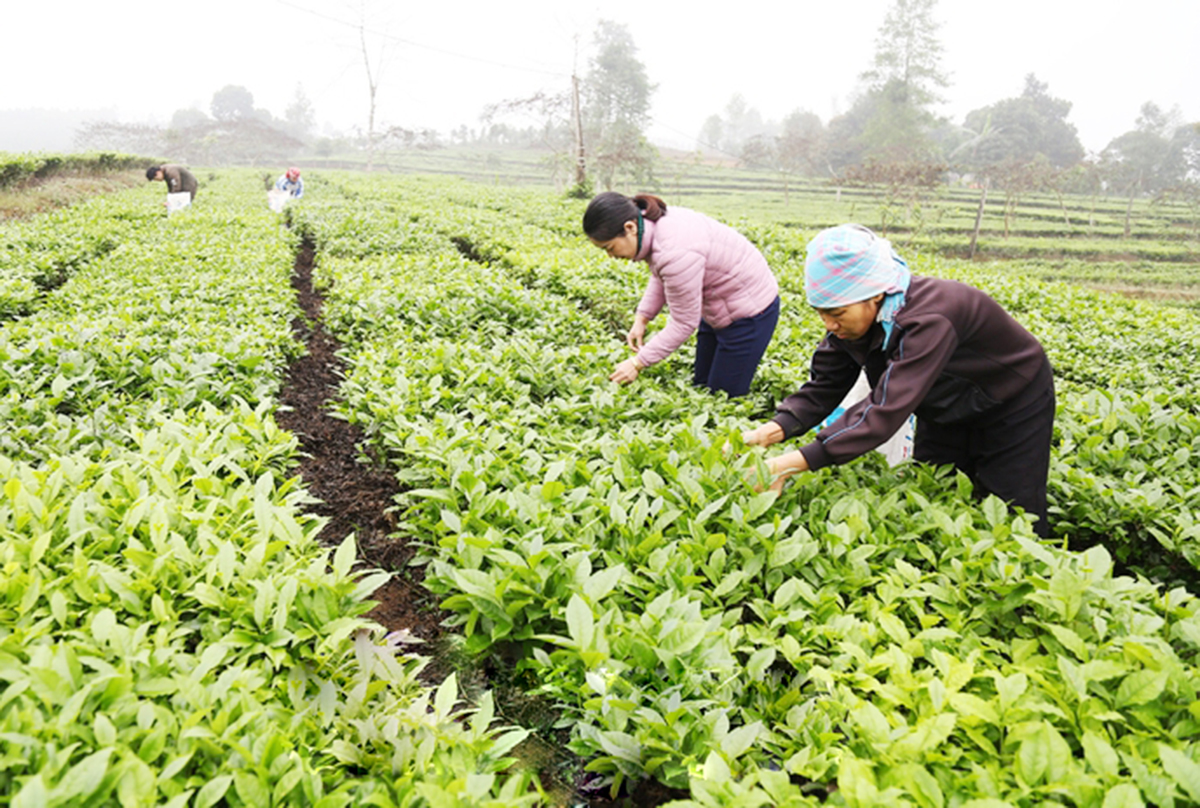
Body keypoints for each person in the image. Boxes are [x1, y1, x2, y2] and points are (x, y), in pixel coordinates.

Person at [741, 224, 1055, 536]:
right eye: (821, 312)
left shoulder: (930, 318)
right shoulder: (853, 321)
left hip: (1011, 401)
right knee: (934, 490)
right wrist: (769, 432)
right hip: (942, 402)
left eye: (836, 312)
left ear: (875, 294)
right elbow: (825, 385)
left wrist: (788, 465)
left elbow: (884, 411)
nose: (829, 324)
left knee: (1012, 511)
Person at [582, 192, 780, 397]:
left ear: (630, 228)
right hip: (718, 307)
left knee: (723, 398)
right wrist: (643, 317)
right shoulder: (654, 226)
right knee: (702, 387)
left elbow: (684, 322)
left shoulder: (674, 251)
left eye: (610, 248)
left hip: (751, 313)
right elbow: (661, 273)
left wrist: (637, 363)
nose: (611, 256)